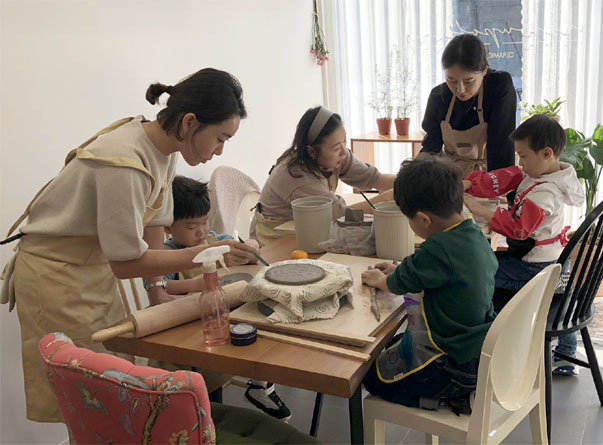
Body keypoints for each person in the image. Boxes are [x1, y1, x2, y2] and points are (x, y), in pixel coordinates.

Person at [0, 68, 260, 422]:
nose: (220, 150)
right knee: (87, 397)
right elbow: (125, 263)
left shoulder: (163, 150)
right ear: (189, 122)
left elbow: (153, 221)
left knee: (114, 387)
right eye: (220, 138)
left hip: (93, 271)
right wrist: (204, 255)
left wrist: (157, 290)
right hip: (56, 276)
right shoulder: (124, 161)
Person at [361, 158, 497, 411]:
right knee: (396, 344)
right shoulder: (475, 233)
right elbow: (429, 272)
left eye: (409, 220)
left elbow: (399, 283)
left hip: (450, 365)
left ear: (423, 220)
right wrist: (400, 269)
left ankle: (442, 399)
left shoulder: (437, 248)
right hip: (479, 350)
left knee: (371, 377)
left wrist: (382, 279)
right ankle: (450, 393)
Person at [154, 175, 291, 421]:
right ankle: (209, 414)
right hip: (189, 325)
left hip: (219, 313)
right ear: (167, 227)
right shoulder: (166, 253)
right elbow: (161, 286)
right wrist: (195, 284)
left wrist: (249, 248)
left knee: (259, 329)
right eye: (191, 226)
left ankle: (260, 386)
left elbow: (235, 246)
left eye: (205, 222)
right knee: (208, 374)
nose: (201, 231)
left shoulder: (212, 238)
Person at [463, 114, 585, 375]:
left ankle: (496, 342)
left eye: (524, 155)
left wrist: (479, 209)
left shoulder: (544, 193)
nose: (520, 162)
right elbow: (506, 177)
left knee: (482, 275)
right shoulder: (546, 173)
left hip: (536, 267)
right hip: (556, 261)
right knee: (560, 287)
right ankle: (566, 351)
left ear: (547, 153)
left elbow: (519, 230)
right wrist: (470, 184)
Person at [253, 106, 396, 246]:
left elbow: (375, 178)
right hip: (277, 242)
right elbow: (340, 215)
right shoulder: (295, 176)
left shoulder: (337, 156)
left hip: (311, 230)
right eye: (335, 148)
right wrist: (388, 198)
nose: (343, 152)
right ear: (312, 152)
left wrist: (410, 182)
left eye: (344, 142)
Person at [420, 34, 517, 176]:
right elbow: (431, 148)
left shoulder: (499, 85)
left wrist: (499, 190)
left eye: (468, 81)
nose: (460, 89)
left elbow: (501, 147)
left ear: (484, 71)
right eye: (451, 80)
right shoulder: (438, 96)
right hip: (451, 177)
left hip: (489, 175)